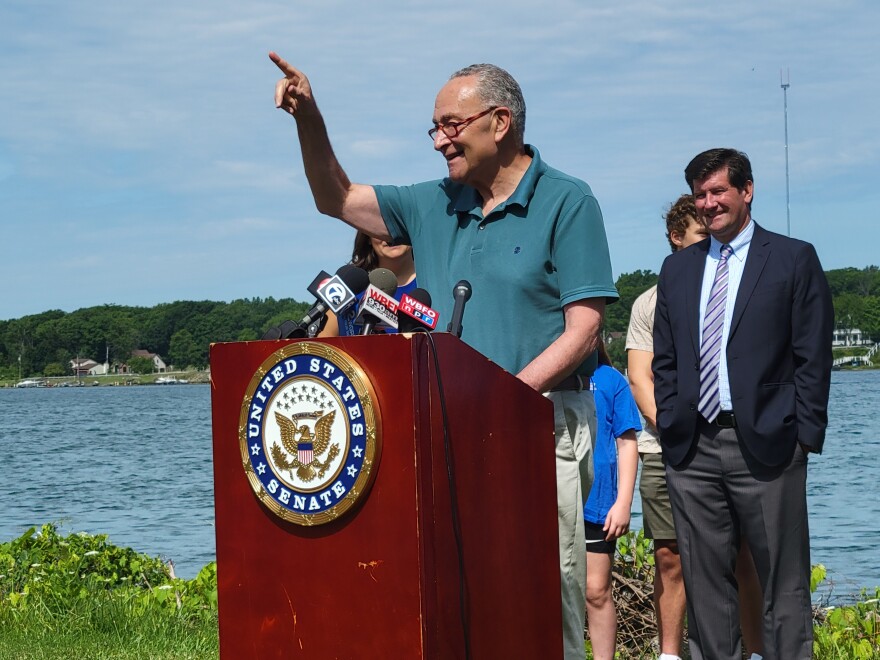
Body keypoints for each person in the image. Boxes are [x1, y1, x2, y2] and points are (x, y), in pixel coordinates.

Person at [270, 52, 618, 658]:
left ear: (500, 122)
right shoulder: (433, 202)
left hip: (543, 430)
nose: (439, 141)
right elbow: (337, 196)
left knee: (543, 601)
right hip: (451, 436)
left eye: (451, 125)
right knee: (460, 598)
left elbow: (584, 329)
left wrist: (502, 401)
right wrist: (309, 119)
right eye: (434, 128)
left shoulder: (569, 201)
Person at [653, 148, 833, 660]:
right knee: (706, 586)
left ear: (746, 191)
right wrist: (671, 424)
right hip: (692, 448)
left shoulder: (793, 258)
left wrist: (803, 438)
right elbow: (665, 360)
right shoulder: (678, 270)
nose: (709, 204)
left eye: (719, 192)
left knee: (784, 583)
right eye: (700, 195)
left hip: (771, 446)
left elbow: (812, 357)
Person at [626, 195, 765, 660]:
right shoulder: (649, 301)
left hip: (730, 445)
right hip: (662, 448)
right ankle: (671, 653)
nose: (713, 239)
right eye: (701, 234)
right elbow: (639, 376)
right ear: (676, 237)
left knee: (741, 555)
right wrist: (675, 427)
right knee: (670, 557)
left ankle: (752, 649)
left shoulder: (735, 289)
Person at [583, 341, 639, 660]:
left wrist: (623, 502)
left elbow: (627, 442)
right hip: (554, 500)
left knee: (596, 591)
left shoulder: (611, 379)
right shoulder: (549, 374)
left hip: (599, 503)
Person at [319, 230, 417, 336]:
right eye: (382, 227)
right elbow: (322, 342)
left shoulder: (432, 286)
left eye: (396, 225)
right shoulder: (351, 284)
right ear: (368, 237)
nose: (389, 235)